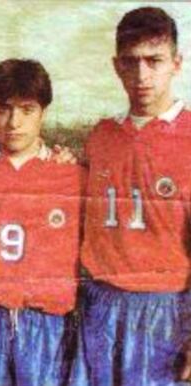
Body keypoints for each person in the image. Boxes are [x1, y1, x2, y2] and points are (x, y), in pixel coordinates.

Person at [70, 7, 191, 386]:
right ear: (116, 66)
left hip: (163, 309)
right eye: (131, 62)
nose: (141, 75)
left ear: (176, 63)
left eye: (153, 61)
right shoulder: (101, 136)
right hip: (99, 304)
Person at [0, 58, 84, 386]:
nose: (14, 121)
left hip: (47, 325)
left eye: (27, 110)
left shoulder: (73, 177)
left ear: (43, 112)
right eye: (4, 108)